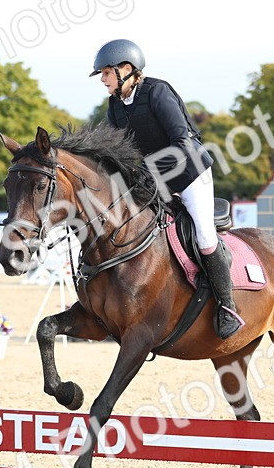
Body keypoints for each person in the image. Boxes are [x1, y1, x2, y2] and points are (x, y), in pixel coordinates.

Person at [90, 38, 241, 339]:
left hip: (190, 173)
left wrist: (147, 171)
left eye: (106, 73)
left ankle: (227, 307)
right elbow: (116, 153)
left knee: (204, 236)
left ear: (126, 69)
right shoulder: (115, 106)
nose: (103, 80)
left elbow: (182, 143)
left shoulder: (158, 92)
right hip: (154, 180)